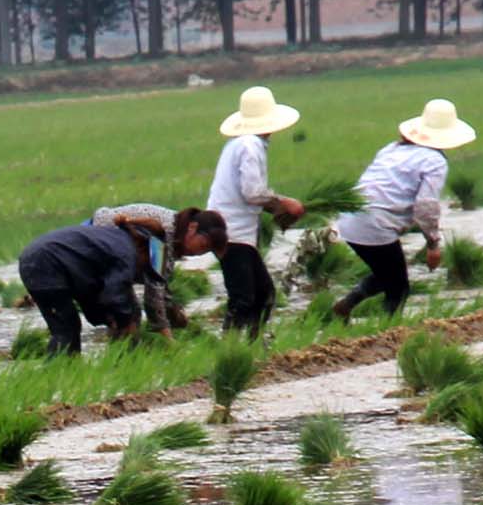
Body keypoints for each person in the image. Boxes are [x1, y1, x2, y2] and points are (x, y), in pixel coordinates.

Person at [330, 98, 476, 322]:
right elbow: (426, 206)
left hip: (350, 219)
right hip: (376, 222)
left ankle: (346, 305)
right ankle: (388, 334)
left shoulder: (391, 149)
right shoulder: (435, 161)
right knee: (399, 288)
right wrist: (433, 244)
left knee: (386, 274)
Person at [19, 210, 229, 355]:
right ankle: (56, 376)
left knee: (77, 325)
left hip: (53, 264)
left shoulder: (125, 246)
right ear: (146, 254)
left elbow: (96, 294)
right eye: (144, 271)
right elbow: (114, 293)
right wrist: (126, 322)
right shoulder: (127, 255)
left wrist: (110, 319)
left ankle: (69, 369)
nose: (140, 275)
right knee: (66, 329)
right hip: (45, 265)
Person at [205, 86, 306, 334]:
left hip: (234, 232)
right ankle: (232, 350)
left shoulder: (240, 143)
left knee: (261, 295)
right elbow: (252, 192)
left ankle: (251, 347)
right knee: (246, 299)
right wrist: (284, 204)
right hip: (232, 232)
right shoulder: (250, 145)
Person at [89, 203, 222, 333]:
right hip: (97, 244)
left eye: (206, 251)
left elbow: (160, 284)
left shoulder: (176, 229)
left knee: (129, 314)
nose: (199, 253)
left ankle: (122, 348)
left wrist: (173, 311)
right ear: (192, 228)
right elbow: (154, 289)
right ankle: (121, 350)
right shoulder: (166, 235)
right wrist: (165, 333)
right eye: (203, 245)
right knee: (127, 314)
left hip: (107, 247)